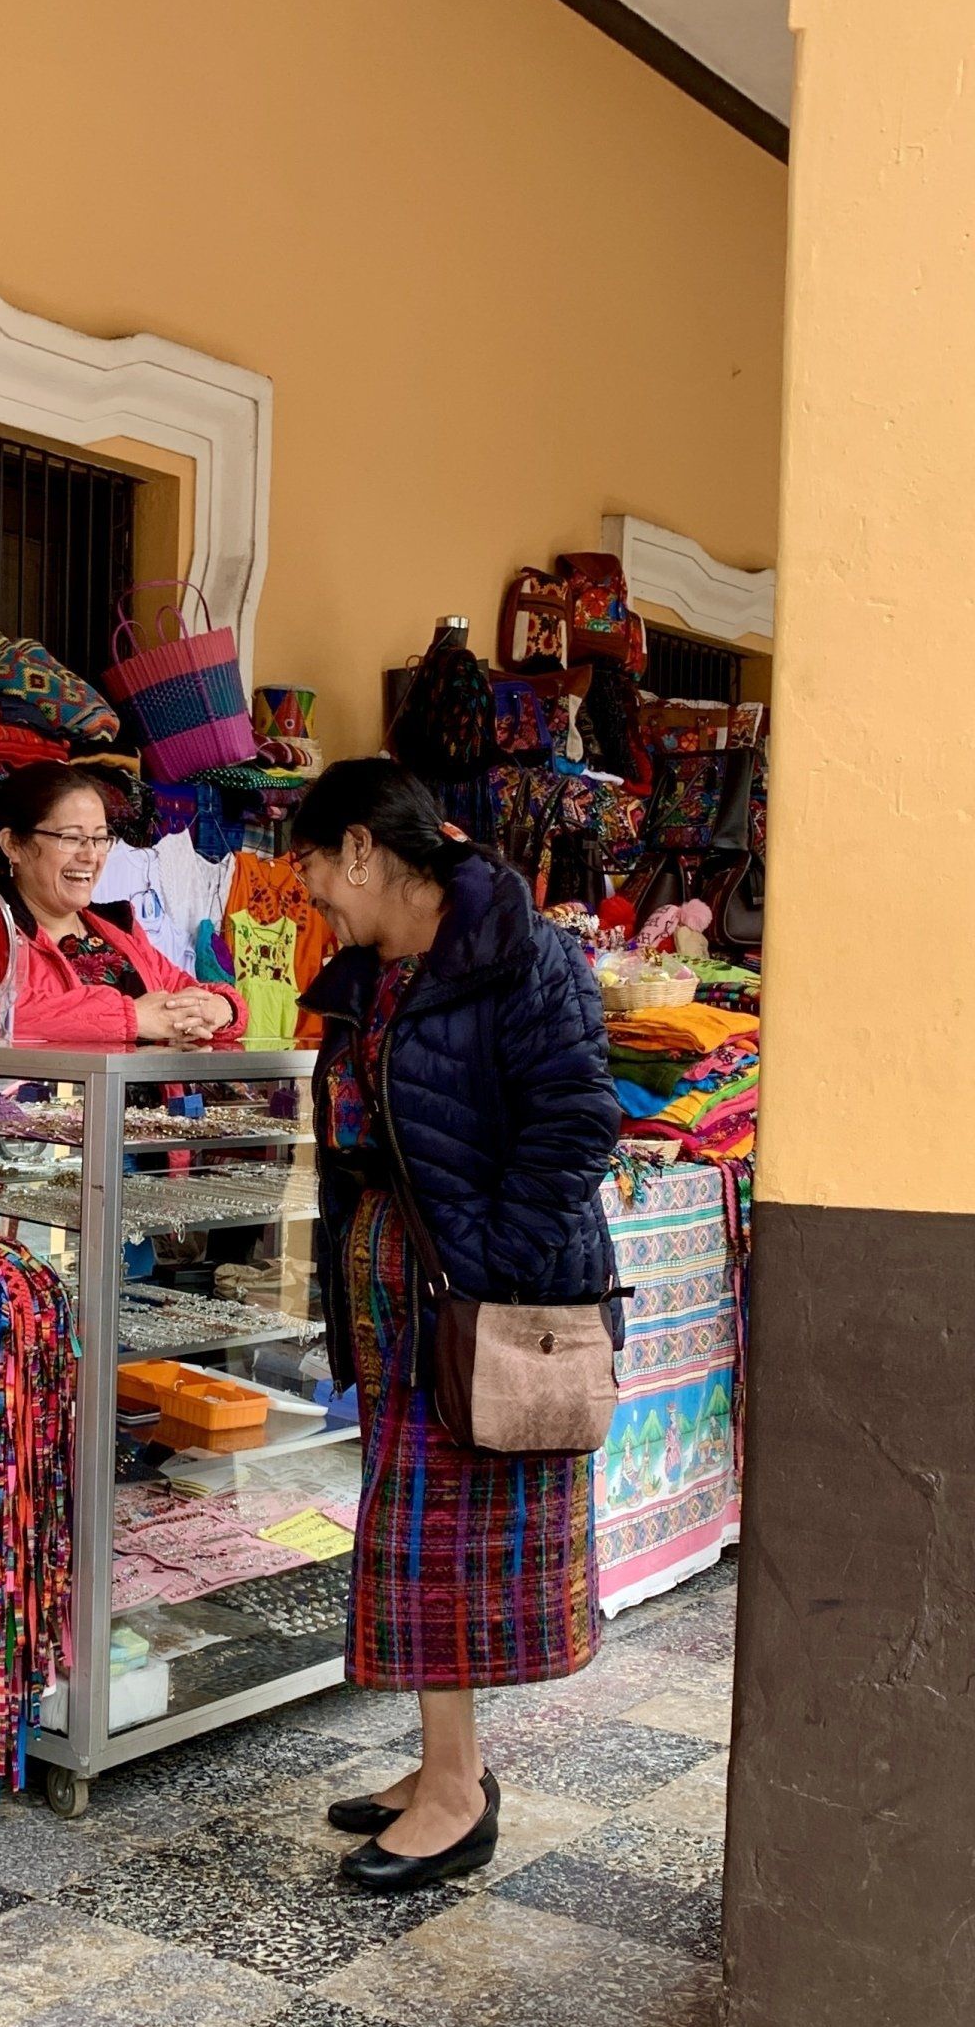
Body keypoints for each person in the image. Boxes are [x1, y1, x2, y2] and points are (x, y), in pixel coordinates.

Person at [293, 758, 620, 1893]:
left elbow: (577, 1125)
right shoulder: (377, 973)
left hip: (474, 1300)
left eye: (312, 868)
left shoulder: (523, 954)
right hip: (404, 1300)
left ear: (361, 849)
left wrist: (482, 1268)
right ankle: (448, 1765)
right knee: (414, 1541)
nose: (311, 897)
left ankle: (454, 1796)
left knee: (445, 1551)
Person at [0, 762, 248, 1046]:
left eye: (100, 839)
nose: (90, 856)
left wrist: (222, 1008)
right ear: (13, 845)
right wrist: (134, 1018)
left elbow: (185, 989)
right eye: (72, 838)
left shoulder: (118, 927)